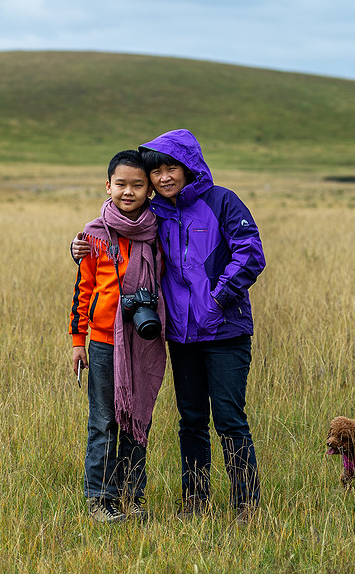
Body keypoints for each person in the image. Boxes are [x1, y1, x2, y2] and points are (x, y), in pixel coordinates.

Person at [72, 129, 266, 522]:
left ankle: (246, 506)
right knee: (191, 420)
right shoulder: (156, 211)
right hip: (179, 334)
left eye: (170, 168)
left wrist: (217, 299)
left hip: (225, 330)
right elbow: (116, 228)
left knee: (229, 419)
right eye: (156, 171)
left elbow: (251, 254)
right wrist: (79, 246)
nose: (163, 178)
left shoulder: (222, 201)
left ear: (189, 166)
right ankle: (196, 502)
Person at [69, 150, 168, 523]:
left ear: (149, 190)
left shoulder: (159, 232)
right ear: (107, 186)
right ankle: (100, 499)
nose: (129, 191)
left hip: (143, 344)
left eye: (138, 185)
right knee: (104, 422)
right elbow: (83, 290)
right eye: (121, 184)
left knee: (138, 419)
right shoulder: (93, 234)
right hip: (105, 342)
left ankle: (133, 495)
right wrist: (79, 342)